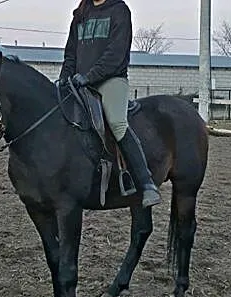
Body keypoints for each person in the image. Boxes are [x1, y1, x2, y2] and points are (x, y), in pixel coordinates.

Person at [58, 0, 162, 208]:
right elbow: (71, 54)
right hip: (80, 81)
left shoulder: (119, 11)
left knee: (116, 122)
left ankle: (146, 182)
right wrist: (64, 79)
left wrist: (90, 76)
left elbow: (116, 53)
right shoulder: (81, 13)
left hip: (110, 80)